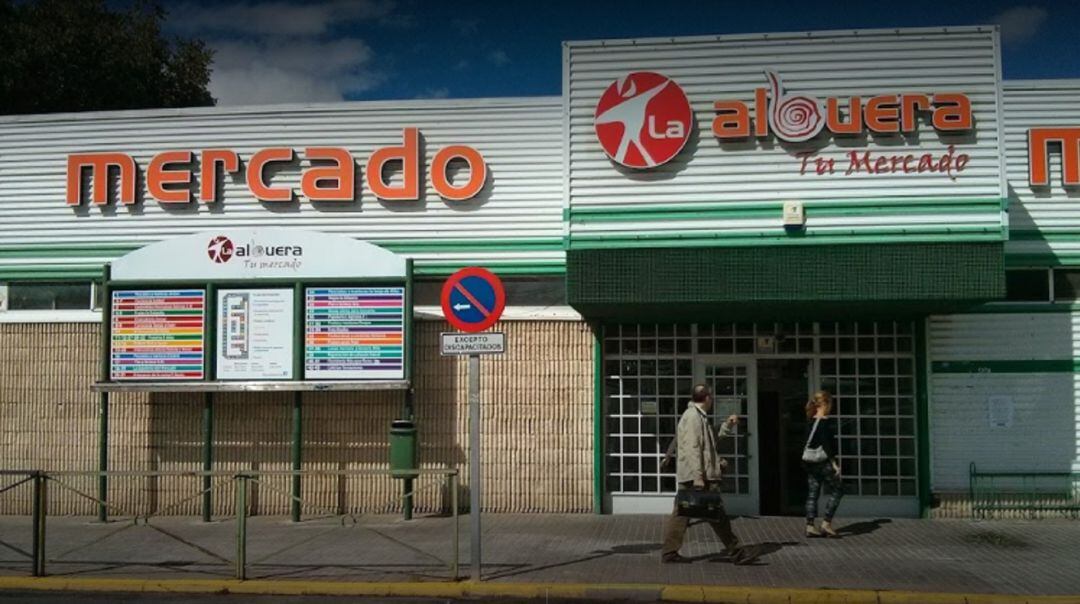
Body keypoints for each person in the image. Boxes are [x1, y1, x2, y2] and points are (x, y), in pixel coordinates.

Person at [660, 384, 751, 564]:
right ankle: (736, 551)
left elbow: (709, 442)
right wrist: (698, 476)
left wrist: (727, 426)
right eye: (711, 396)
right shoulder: (693, 417)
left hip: (696, 474)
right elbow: (694, 448)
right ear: (707, 398)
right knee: (716, 514)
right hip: (699, 476)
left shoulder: (697, 416)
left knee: (682, 515)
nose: (713, 400)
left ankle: (669, 552)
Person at [803, 390, 843, 538]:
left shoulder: (810, 420)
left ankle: (810, 525)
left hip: (809, 462)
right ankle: (826, 523)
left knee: (813, 493)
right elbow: (828, 445)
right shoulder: (824, 422)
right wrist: (834, 463)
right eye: (830, 403)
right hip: (822, 462)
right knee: (838, 490)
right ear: (824, 404)